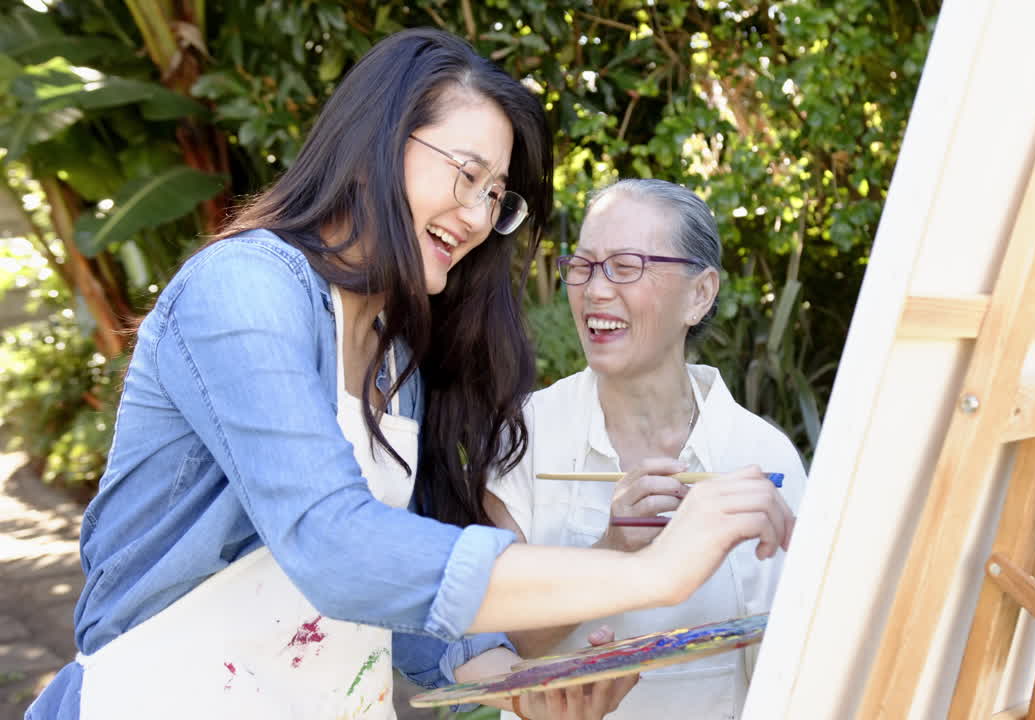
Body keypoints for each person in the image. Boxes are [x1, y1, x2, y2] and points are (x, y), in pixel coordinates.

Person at [26, 30, 793, 720]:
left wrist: (513, 682)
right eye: (465, 173)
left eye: (496, 194)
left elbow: (400, 598)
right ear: (377, 142)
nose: (476, 213)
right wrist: (655, 572)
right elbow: (337, 548)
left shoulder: (398, 351)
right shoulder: (245, 290)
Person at [485, 178, 808, 720]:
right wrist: (612, 549)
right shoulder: (525, 434)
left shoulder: (762, 457)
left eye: (626, 266)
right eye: (583, 265)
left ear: (700, 294)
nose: (595, 290)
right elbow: (501, 640)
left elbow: (795, 659)